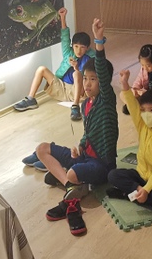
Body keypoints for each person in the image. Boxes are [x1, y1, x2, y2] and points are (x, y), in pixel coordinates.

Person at [27, 19, 118, 232]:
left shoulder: (107, 99)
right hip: (85, 155)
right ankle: (72, 188)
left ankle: (71, 183)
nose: (87, 83)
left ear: (102, 82)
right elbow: (87, 133)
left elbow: (103, 73)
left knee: (71, 173)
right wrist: (78, 147)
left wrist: (98, 41)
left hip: (102, 165)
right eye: (85, 78)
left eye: (93, 79)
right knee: (42, 149)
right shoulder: (86, 104)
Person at [108, 74, 152, 207]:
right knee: (113, 175)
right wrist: (125, 86)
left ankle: (127, 195)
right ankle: (139, 195)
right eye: (144, 110)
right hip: (140, 176)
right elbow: (133, 107)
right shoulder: (143, 125)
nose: (146, 114)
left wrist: (147, 188)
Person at [13, 7, 92, 121]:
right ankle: (31, 99)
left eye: (82, 48)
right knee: (41, 69)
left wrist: (76, 68)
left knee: (76, 74)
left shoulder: (89, 59)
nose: (78, 51)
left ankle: (75, 107)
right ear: (72, 46)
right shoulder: (68, 53)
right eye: (76, 47)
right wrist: (63, 17)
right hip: (61, 87)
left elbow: (91, 74)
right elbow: (65, 36)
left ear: (87, 48)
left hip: (77, 92)